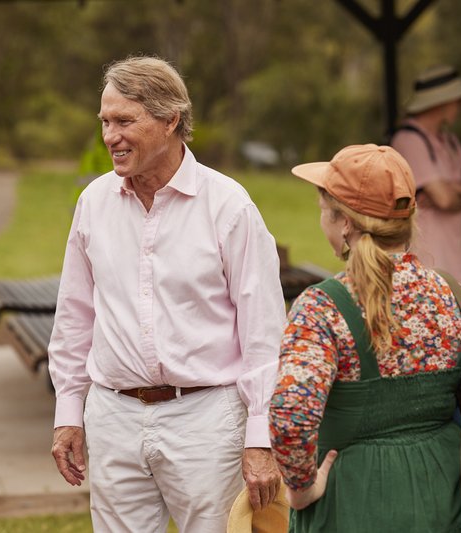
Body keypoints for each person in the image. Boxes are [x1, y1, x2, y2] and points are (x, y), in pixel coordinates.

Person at [48, 56, 287, 532]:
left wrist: (260, 435)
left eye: (124, 121)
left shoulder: (229, 206)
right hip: (113, 414)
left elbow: (264, 331)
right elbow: (74, 317)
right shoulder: (93, 202)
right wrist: (68, 412)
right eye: (105, 122)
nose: (110, 136)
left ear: (170, 119)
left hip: (207, 419)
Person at [269, 144, 461, 532]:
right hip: (448, 493)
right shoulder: (454, 297)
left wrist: (300, 488)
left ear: (345, 223)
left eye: (323, 210)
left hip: (354, 497)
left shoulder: (323, 307)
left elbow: (292, 414)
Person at [391, 64, 461, 290]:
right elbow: (445, 199)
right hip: (427, 271)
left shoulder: (449, 140)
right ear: (442, 103)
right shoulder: (409, 140)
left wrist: (457, 189)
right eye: (458, 99)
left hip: (456, 268)